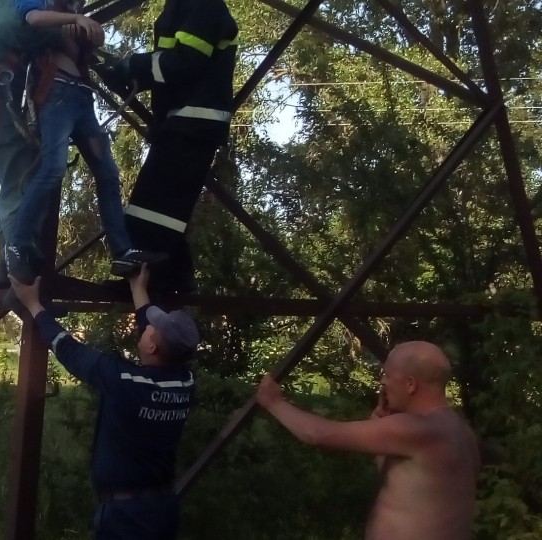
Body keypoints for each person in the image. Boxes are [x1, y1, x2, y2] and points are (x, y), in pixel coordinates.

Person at [10, 264, 198, 539]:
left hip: (126, 519)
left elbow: (69, 349)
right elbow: (154, 335)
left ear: (152, 346)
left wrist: (34, 305)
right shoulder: (185, 383)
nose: (142, 328)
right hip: (162, 508)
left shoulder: (124, 383)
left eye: (148, 330)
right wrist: (138, 289)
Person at [4, 0, 166, 285]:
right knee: (53, 168)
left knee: (107, 173)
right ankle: (16, 244)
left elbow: (96, 37)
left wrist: (86, 26)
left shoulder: (72, 12)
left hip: (80, 95)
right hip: (56, 91)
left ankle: (122, 250)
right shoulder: (45, 6)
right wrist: (75, 22)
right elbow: (30, 17)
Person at [256, 341, 480, 540]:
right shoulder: (461, 432)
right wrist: (379, 423)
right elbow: (398, 479)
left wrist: (274, 403)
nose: (383, 382)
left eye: (388, 375)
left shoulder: (418, 429)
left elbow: (317, 434)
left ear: (411, 384)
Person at [100, 0, 239, 294]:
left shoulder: (203, 6)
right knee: (160, 208)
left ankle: (151, 282)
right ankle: (174, 278)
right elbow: (169, 65)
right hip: (181, 122)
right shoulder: (178, 7)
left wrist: (132, 67)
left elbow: (187, 62)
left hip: (195, 122)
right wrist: (133, 75)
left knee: (151, 210)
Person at [0, 0, 70, 288]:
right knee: (25, 177)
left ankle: (10, 267)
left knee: (21, 175)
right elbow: (11, 29)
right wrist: (62, 31)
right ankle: (19, 268)